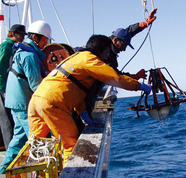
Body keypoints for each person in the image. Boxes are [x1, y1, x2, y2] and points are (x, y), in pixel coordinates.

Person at [27, 34, 152, 166]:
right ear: (101, 50)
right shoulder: (90, 60)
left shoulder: (76, 57)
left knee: (34, 149)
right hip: (53, 103)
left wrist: (83, 114)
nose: (107, 57)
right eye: (107, 52)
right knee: (71, 146)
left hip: (36, 100)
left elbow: (73, 88)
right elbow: (115, 78)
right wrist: (140, 86)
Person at [0, 20, 53, 174]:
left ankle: (4, 168)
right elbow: (36, 85)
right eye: (45, 39)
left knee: (19, 137)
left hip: (14, 101)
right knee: (37, 137)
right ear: (36, 38)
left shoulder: (22, 50)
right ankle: (42, 171)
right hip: (23, 103)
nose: (46, 43)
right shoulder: (29, 55)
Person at [109, 8, 157, 79]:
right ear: (115, 40)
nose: (124, 49)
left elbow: (128, 32)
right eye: (124, 45)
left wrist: (145, 23)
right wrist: (135, 76)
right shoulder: (105, 53)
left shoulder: (111, 40)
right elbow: (116, 76)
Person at [0, 24, 26, 151]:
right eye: (21, 35)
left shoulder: (13, 46)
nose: (23, 38)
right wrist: (3, 88)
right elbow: (1, 67)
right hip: (3, 86)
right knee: (6, 120)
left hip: (6, 86)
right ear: (14, 33)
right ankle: (10, 147)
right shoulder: (6, 46)